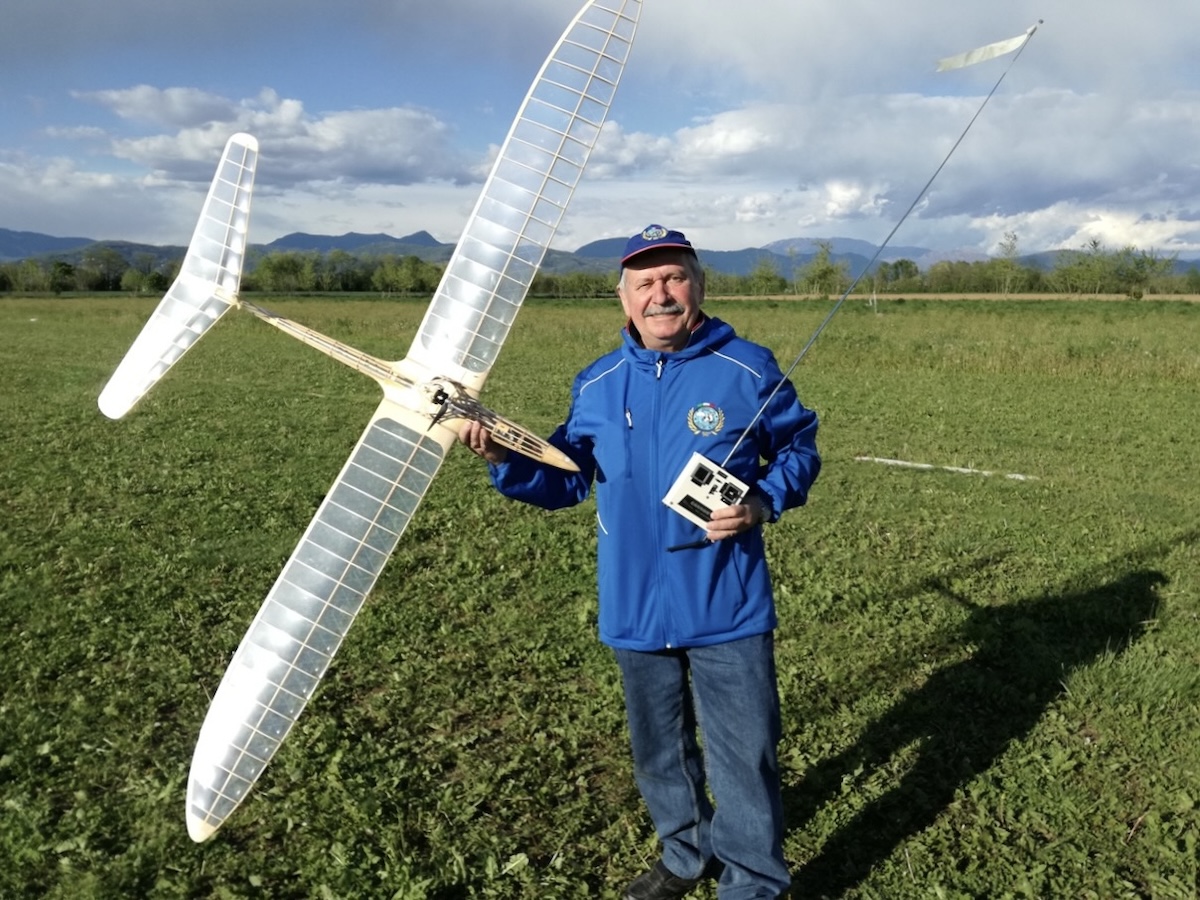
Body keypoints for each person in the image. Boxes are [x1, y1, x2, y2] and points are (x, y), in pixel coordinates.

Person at [458, 225, 820, 900]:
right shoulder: (597, 383)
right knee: (660, 755)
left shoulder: (747, 367)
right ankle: (686, 857)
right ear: (623, 298)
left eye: (674, 277)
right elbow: (564, 479)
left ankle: (753, 884)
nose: (661, 293)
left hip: (726, 603)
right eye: (645, 283)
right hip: (633, 606)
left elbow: (799, 448)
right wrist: (507, 459)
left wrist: (762, 501)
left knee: (745, 757)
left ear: (699, 286)